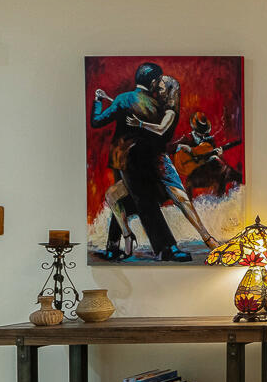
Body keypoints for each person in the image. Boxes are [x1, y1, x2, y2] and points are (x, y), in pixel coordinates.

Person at [90, 62, 188, 262]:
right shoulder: (157, 105)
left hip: (121, 160)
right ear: (153, 82)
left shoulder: (123, 99)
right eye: (158, 81)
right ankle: (166, 248)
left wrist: (98, 100)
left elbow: (97, 121)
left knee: (128, 201)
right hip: (142, 161)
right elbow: (162, 136)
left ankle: (113, 247)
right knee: (146, 202)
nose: (159, 85)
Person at [123, 74, 220, 250]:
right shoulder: (157, 106)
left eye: (160, 88)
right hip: (145, 160)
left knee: (182, 200)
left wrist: (140, 124)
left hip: (160, 162)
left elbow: (161, 130)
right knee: (118, 195)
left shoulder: (170, 111)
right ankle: (126, 234)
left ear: (168, 91)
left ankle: (207, 238)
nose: (156, 90)